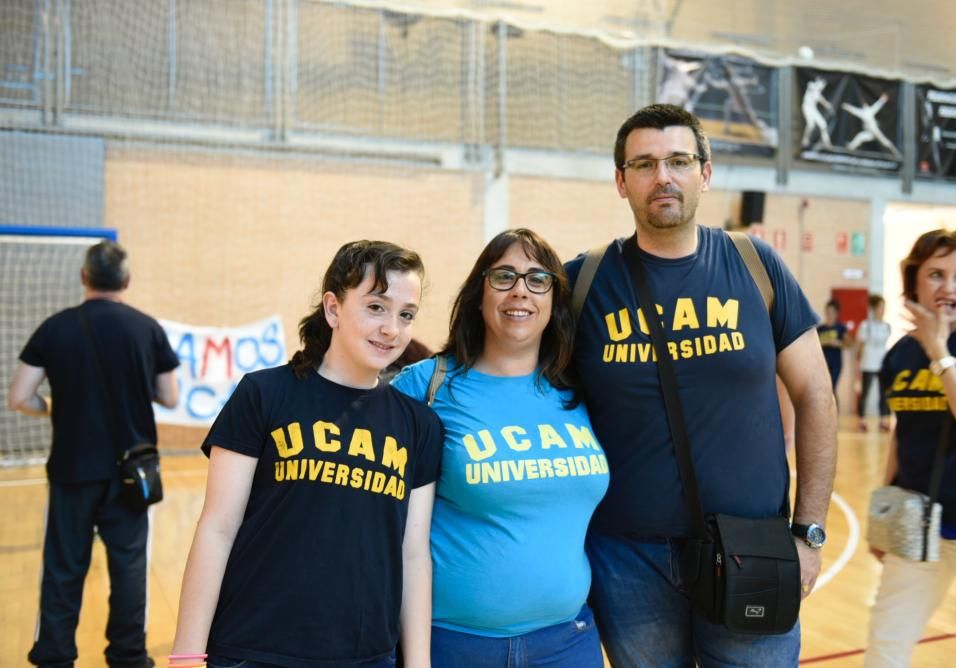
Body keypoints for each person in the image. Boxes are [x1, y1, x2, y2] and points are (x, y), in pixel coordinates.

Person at [566, 103, 838, 667]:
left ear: (705, 173)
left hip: (753, 553)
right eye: (643, 164)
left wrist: (809, 532)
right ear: (621, 182)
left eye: (678, 161)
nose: (662, 176)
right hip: (626, 561)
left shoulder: (755, 265)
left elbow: (816, 396)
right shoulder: (584, 282)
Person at [170, 241, 443, 668]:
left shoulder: (419, 426)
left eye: (405, 314)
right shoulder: (263, 395)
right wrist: (186, 655)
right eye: (376, 307)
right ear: (333, 309)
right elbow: (216, 529)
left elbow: (413, 555)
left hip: (366, 657)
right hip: (252, 651)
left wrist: (419, 663)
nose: (392, 327)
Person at [391, 228, 608, 668]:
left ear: (554, 300)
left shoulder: (580, 392)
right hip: (451, 644)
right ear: (478, 293)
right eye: (504, 276)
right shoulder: (425, 386)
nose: (520, 291)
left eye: (537, 279)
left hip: (568, 643)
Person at [7, 240, 180, 668]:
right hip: (132, 471)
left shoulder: (55, 328)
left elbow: (19, 396)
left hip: (71, 470)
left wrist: (49, 408)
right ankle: (127, 655)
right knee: (129, 568)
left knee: (63, 568)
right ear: (127, 281)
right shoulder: (147, 328)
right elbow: (171, 397)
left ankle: (54, 656)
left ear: (84, 277)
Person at [864, 229, 956, 668]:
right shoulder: (899, 354)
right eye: (937, 274)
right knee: (886, 644)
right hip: (918, 519)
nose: (949, 287)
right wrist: (883, 508)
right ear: (915, 282)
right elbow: (903, 434)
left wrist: (940, 353)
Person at [855, 294, 892, 432]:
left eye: (884, 307)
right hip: (868, 364)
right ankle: (862, 420)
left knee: (884, 393)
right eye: (880, 307)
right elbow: (859, 346)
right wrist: (858, 363)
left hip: (882, 364)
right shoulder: (865, 326)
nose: (882, 310)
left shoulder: (887, 326)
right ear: (874, 308)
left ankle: (883, 420)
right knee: (866, 393)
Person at [817, 299, 850, 395]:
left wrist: (838, 343)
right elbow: (814, 345)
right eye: (827, 311)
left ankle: (835, 410)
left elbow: (849, 344)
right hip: (823, 362)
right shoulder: (820, 329)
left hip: (835, 362)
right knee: (823, 389)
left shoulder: (840, 328)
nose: (829, 314)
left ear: (836, 313)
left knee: (832, 389)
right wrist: (825, 342)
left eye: (832, 312)